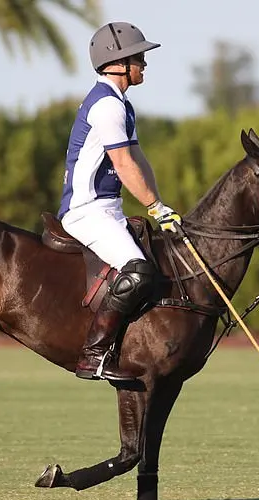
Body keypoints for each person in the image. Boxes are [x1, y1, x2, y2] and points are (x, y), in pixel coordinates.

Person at [58, 22, 182, 382]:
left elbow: (139, 159)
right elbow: (123, 165)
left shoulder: (121, 105)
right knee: (139, 269)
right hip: (85, 212)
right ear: (118, 63)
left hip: (107, 209)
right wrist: (154, 209)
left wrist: (160, 204)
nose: (144, 64)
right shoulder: (107, 106)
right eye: (138, 57)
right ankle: (93, 355)